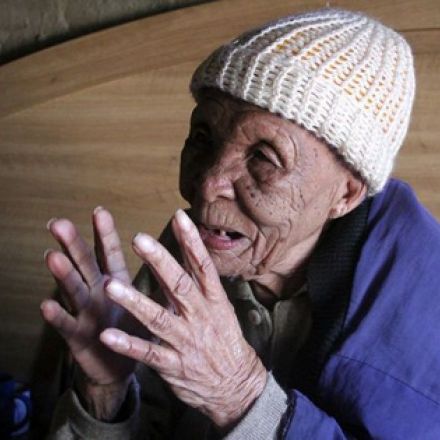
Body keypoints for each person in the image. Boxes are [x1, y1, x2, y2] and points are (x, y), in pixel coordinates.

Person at [40, 7, 440, 439]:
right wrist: (106, 390)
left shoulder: (421, 312)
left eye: (264, 157)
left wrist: (239, 395)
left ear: (346, 195)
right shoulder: (201, 242)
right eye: (203, 138)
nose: (208, 184)